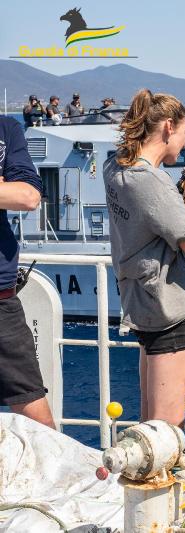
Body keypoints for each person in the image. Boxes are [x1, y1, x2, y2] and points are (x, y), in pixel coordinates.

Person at [104, 89, 185, 426]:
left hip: (142, 304)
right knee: (165, 429)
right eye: (182, 132)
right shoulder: (151, 184)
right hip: (167, 313)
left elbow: (138, 151)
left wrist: (179, 135)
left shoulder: (115, 167)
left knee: (150, 424)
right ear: (167, 126)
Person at [0, 115, 55, 428]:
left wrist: (14, 190)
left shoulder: (7, 129)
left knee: (42, 429)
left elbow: (28, 196)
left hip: (2, 304)